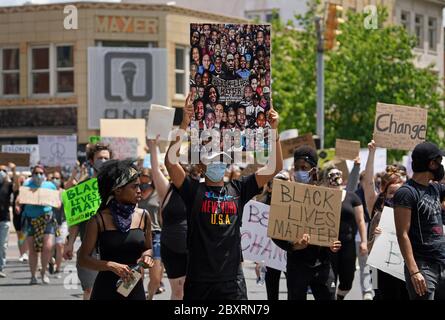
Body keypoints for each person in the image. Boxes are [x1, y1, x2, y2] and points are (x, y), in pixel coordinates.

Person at [165, 92, 283, 300]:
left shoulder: (239, 188)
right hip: (199, 281)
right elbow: (170, 163)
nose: (218, 164)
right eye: (213, 160)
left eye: (222, 159)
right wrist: (184, 123)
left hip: (231, 282)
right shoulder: (193, 191)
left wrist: (274, 131)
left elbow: (274, 167)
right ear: (201, 166)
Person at [78, 159, 154, 300]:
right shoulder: (98, 220)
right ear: (118, 190)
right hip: (106, 290)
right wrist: (110, 265)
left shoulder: (144, 216)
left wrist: (147, 257)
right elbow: (83, 259)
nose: (139, 191)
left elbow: (147, 248)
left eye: (140, 186)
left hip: (133, 287)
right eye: (134, 187)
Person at [272, 146, 341, 300]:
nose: (299, 171)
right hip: (297, 266)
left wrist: (332, 244)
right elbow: (276, 232)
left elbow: (334, 229)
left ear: (313, 170)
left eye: (304, 168)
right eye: (296, 168)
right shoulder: (285, 196)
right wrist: (293, 245)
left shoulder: (326, 197)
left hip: (322, 265)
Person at [394, 141, 445, 300]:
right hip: (423, 267)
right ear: (431, 164)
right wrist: (414, 271)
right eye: (439, 162)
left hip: (441, 263)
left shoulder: (435, 189)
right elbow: (402, 234)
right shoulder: (406, 193)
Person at [64, 142, 112, 299]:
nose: (103, 161)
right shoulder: (82, 188)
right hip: (89, 248)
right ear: (91, 161)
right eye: (100, 158)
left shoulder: (118, 186)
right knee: (90, 291)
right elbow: (76, 221)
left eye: (106, 158)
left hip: (113, 246)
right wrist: (70, 243)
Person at [363, 140, 408, 300]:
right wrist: (371, 153)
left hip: (403, 266)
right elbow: (367, 183)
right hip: (377, 268)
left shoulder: (412, 210)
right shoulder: (376, 206)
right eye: (392, 193)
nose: (396, 197)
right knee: (379, 295)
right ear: (384, 193)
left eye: (400, 193)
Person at [148, 138, 187, 300]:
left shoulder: (197, 188)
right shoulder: (167, 190)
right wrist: (153, 146)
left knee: (193, 291)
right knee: (178, 292)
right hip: (171, 248)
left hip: (195, 247)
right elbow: (156, 170)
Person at [321, 165, 368, 300]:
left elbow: (360, 221)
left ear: (342, 178)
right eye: (331, 176)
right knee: (330, 277)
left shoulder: (352, 197)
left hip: (348, 243)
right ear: (327, 179)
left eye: (337, 175)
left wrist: (364, 242)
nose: (335, 179)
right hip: (328, 244)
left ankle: (340, 296)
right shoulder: (322, 197)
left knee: (348, 279)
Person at [17, 165, 58, 285]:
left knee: (48, 247)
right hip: (30, 220)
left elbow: (57, 201)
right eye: (36, 173)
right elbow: (19, 199)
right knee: (33, 250)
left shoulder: (50, 186)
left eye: (41, 173)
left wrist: (58, 203)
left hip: (47, 219)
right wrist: (18, 206)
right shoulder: (26, 186)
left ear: (44, 175)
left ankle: (43, 272)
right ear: (32, 174)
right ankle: (33, 275)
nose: (38, 175)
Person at [257, 171, 289, 300]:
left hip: (289, 254)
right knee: (272, 293)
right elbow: (257, 234)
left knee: (294, 291)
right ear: (269, 188)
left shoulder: (295, 205)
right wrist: (259, 261)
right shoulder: (261, 206)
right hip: (270, 256)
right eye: (278, 185)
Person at [137, 168, 164, 300]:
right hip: (139, 236)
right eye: (142, 175)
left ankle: (150, 297)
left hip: (156, 236)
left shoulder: (158, 193)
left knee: (156, 278)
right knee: (138, 276)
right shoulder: (135, 192)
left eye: (147, 176)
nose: (144, 178)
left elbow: (162, 216)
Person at [49, 170, 67, 278]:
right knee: (50, 246)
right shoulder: (46, 191)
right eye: (53, 178)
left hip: (62, 222)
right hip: (50, 222)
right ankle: (51, 261)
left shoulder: (64, 192)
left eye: (57, 178)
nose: (55, 180)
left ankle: (58, 269)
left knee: (60, 245)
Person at [0, 163, 15, 278]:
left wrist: (13, 171)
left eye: (4, 170)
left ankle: (1, 267)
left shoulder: (8, 185)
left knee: (2, 245)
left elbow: (17, 187)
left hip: (4, 219)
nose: (1, 172)